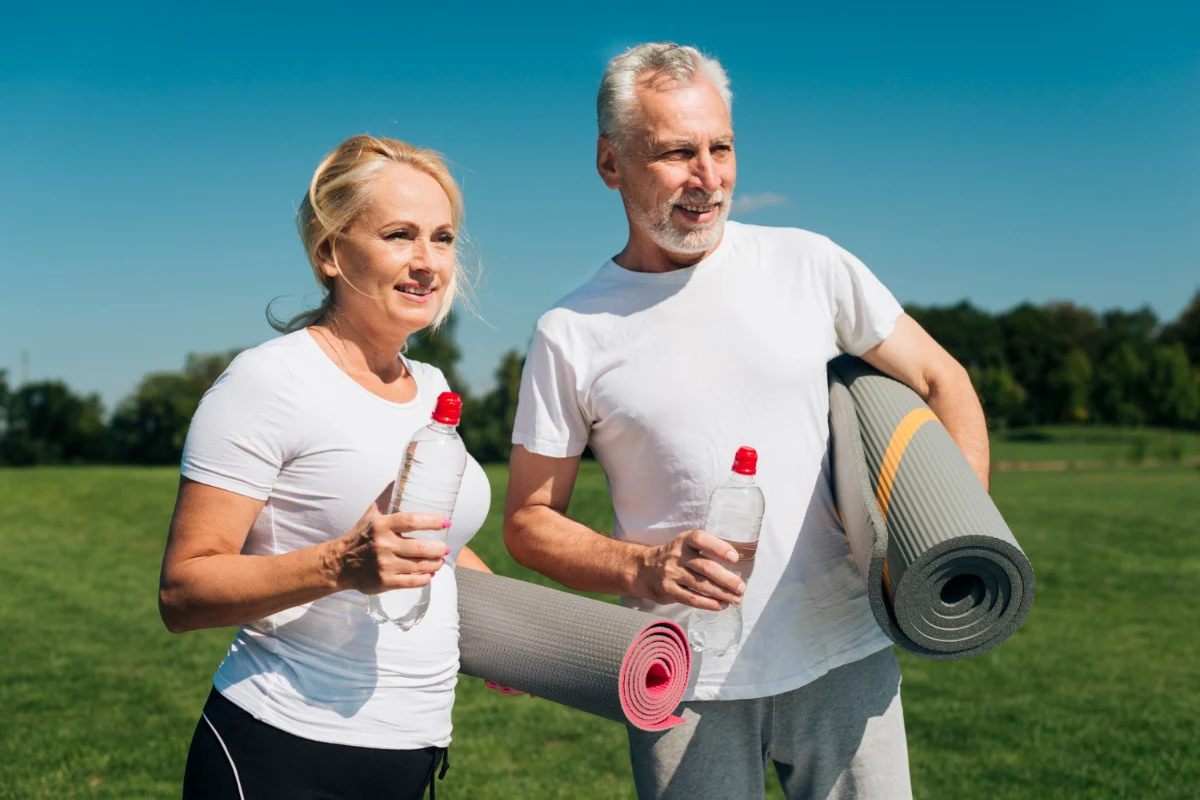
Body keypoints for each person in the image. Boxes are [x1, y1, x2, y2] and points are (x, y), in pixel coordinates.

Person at [503, 43, 990, 800]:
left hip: (847, 657)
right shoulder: (570, 330)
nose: (708, 177)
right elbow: (529, 521)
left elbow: (941, 378)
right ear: (610, 163)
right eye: (675, 153)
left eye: (720, 147)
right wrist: (643, 567)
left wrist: (955, 537)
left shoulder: (810, 264)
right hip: (681, 680)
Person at [159, 134, 497, 800]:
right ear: (330, 252)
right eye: (400, 235)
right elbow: (182, 592)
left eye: (443, 237)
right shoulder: (267, 381)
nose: (428, 262)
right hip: (281, 752)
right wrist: (340, 564)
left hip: (411, 752)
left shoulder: (431, 386)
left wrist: (523, 635)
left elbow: (438, 545)